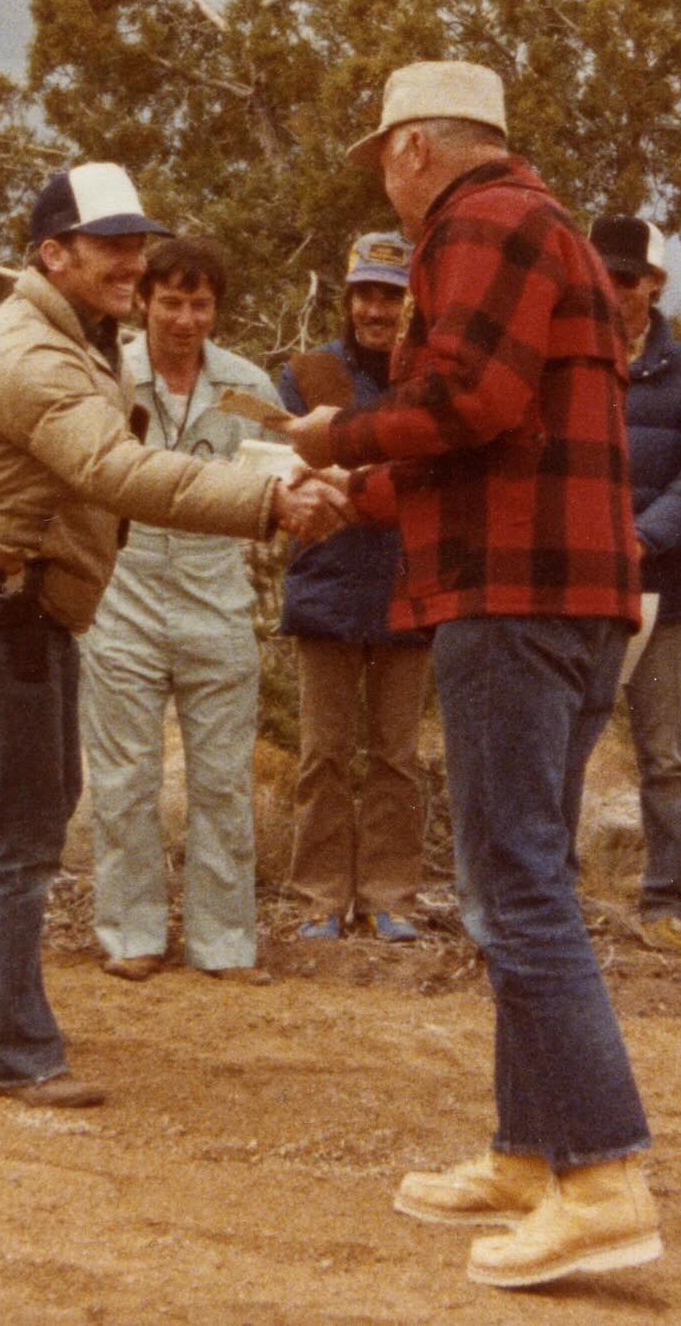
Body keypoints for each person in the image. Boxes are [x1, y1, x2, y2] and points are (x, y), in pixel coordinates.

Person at [288, 63, 661, 1291]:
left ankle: (602, 1179)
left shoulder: (478, 222)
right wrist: (360, 493)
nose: (388, 193)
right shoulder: (540, 226)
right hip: (565, 594)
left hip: (513, 600)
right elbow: (501, 434)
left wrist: (333, 437)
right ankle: (527, 1151)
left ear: (413, 148)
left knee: (515, 881)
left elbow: (466, 398)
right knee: (522, 874)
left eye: (383, 163)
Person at [0, 163, 346, 1108]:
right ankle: (16, 1050)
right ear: (53, 253)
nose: (132, 260)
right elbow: (118, 470)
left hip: (26, 604)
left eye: (134, 242)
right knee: (29, 823)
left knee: (42, 800)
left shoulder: (79, 335)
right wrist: (269, 500)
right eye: (110, 244)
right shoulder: (35, 356)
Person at [79, 236, 284, 984]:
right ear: (143, 301)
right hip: (122, 589)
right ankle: (131, 932)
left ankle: (224, 941)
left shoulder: (247, 385)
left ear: (216, 309)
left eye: (200, 303)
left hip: (214, 594)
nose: (185, 318)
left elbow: (273, 487)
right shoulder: (108, 375)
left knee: (223, 777)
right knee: (125, 774)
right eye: (171, 300)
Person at [279, 231, 431, 943]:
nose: (378, 308)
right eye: (366, 293)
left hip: (410, 586)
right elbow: (286, 469)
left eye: (392, 295)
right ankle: (318, 895)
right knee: (324, 753)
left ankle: (391, 892)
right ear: (347, 299)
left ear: (412, 302)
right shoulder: (308, 374)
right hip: (327, 584)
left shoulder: (428, 377)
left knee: (398, 754)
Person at [590, 215, 681, 954]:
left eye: (624, 277)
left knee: (663, 756)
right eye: (600, 274)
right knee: (561, 747)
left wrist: (642, 537)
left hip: (657, 593)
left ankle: (666, 900)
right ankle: (549, 894)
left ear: (654, 283)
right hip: (575, 591)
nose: (611, 290)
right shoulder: (562, 355)